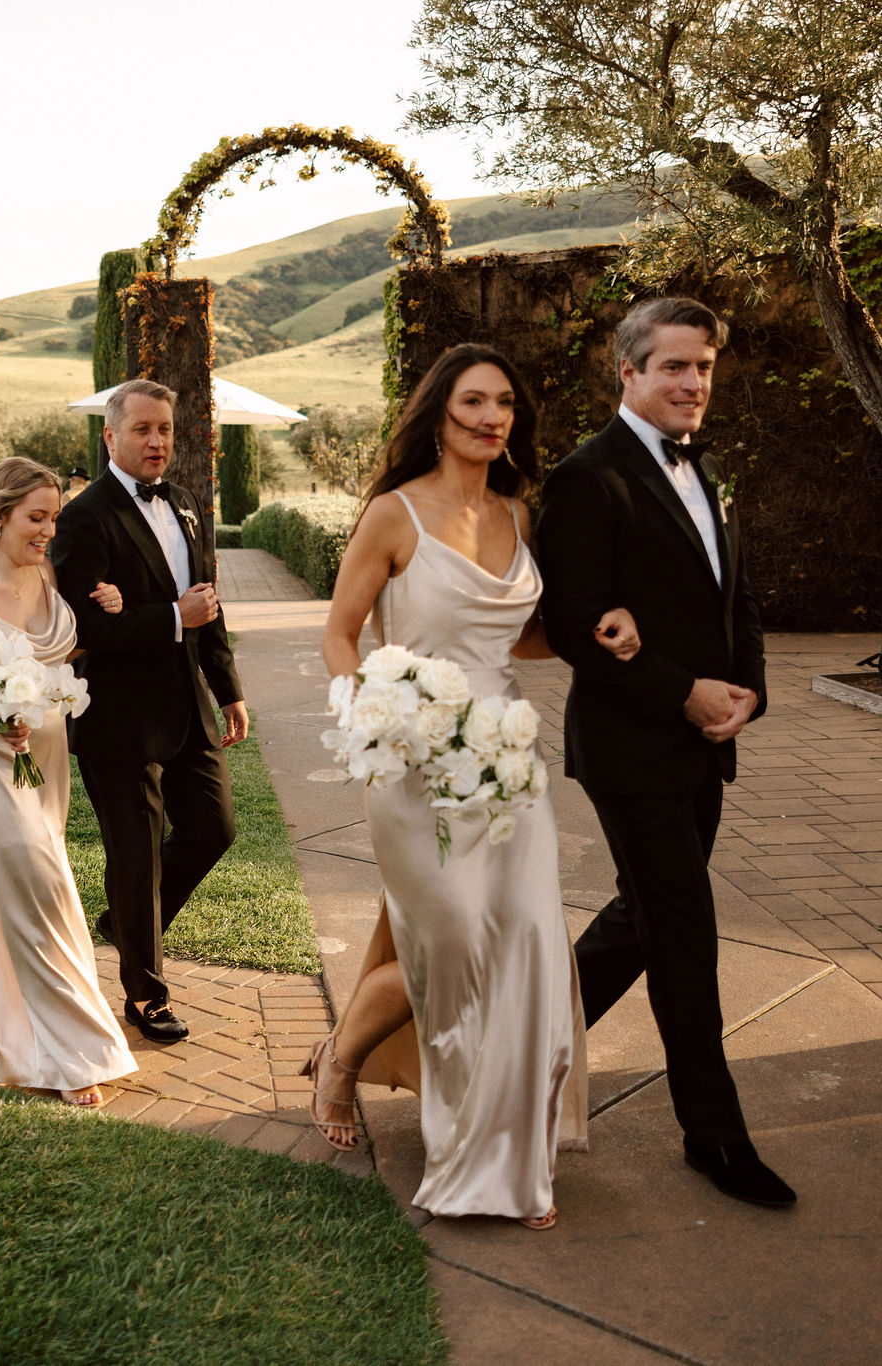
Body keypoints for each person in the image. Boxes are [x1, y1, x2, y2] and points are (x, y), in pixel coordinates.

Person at [310, 344, 643, 1228]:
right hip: (414, 763)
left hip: (507, 759)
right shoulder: (393, 515)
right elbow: (341, 633)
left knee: (530, 948)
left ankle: (510, 1160)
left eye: (503, 405)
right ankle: (343, 1060)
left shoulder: (518, 515)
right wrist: (372, 710)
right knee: (449, 946)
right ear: (438, 414)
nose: (491, 419)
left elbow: (520, 638)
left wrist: (593, 633)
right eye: (471, 404)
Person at [532, 297, 791, 1209]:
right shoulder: (585, 478)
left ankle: (519, 1053)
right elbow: (572, 623)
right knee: (684, 933)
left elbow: (739, 599)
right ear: (629, 373)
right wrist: (682, 690)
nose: (693, 383)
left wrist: (746, 691)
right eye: (674, 366)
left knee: (641, 920)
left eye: (704, 368)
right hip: (630, 746)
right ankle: (714, 1137)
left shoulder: (708, 470)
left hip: (703, 744)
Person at [0, 456, 137, 1108]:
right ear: (0, 514)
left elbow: (57, 651)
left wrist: (109, 606)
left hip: (45, 754)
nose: (47, 530)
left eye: (53, 518)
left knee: (23, 879)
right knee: (40, 880)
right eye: (36, 517)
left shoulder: (46, 573)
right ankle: (69, 1053)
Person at [50, 378, 245, 1045]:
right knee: (135, 858)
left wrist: (228, 687)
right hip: (117, 717)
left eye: (165, 428)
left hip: (187, 706)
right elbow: (81, 631)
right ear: (111, 437)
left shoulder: (186, 503)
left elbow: (206, 600)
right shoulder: (83, 518)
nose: (158, 441)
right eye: (143, 429)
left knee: (214, 829)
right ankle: (145, 996)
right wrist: (167, 618)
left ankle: (127, 927)